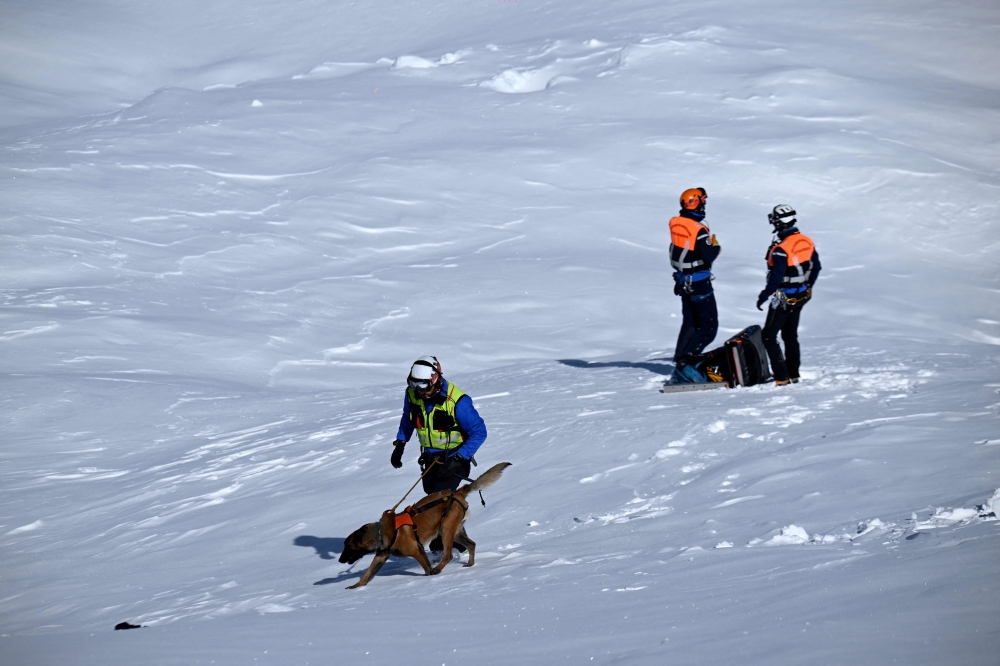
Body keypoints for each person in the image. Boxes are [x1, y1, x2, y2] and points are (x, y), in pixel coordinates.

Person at [390, 356, 487, 495]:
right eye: (413, 385)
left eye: (423, 386)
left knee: (438, 501)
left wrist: (458, 460)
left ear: (435, 380)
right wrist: (400, 444)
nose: (419, 391)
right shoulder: (412, 394)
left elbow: (479, 432)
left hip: (454, 459)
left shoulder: (457, 401)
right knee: (430, 492)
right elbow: (408, 418)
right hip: (430, 459)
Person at [756, 205, 822, 385]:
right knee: (790, 335)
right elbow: (816, 267)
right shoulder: (806, 241)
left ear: (779, 222)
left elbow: (776, 277)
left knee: (768, 336)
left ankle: (781, 377)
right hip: (801, 295)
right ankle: (793, 373)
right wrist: (808, 286)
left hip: (784, 297)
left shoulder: (781, 249)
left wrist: (764, 295)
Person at [668, 187, 721, 383]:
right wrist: (715, 247)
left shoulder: (676, 223)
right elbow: (708, 255)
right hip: (699, 283)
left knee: (690, 322)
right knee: (709, 327)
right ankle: (686, 364)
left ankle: (680, 357)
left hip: (683, 281)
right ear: (698, 203)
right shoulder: (699, 230)